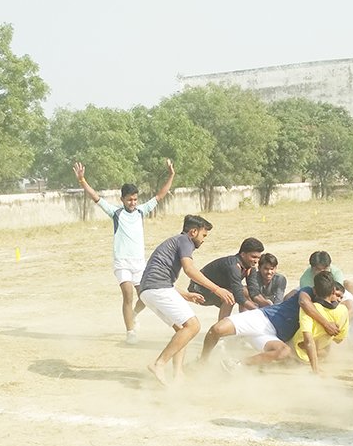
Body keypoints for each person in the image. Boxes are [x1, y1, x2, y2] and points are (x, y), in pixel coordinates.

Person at [74, 159, 175, 344]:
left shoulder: (141, 211)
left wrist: (171, 175)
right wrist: (82, 180)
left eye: (135, 199)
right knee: (128, 295)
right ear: (122, 199)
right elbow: (95, 197)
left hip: (139, 263)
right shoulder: (116, 213)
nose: (133, 202)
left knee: (146, 297)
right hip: (122, 262)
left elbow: (160, 195)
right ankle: (130, 333)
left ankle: (134, 314)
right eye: (129, 199)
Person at [138, 215, 233, 384]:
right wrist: (217, 289)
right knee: (193, 326)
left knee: (184, 329)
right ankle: (159, 364)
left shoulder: (175, 241)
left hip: (148, 291)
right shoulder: (185, 240)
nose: (203, 240)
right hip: (158, 289)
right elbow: (189, 270)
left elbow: (157, 278)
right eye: (203, 235)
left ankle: (178, 374)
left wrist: (185, 295)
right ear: (193, 232)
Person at [199, 271, 343, 370]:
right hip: (263, 318)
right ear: (315, 289)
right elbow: (304, 303)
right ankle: (202, 361)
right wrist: (326, 324)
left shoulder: (331, 306)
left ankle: (237, 364)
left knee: (283, 352)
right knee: (217, 329)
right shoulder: (307, 291)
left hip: (272, 336)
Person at [187, 237, 264, 320]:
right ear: (243, 254)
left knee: (245, 291)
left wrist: (266, 304)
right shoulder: (233, 266)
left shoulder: (250, 267)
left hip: (216, 289)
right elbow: (238, 295)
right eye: (253, 257)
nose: (256, 261)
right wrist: (257, 310)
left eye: (258, 258)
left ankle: (245, 321)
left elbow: (253, 291)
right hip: (198, 290)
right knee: (231, 295)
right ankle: (222, 325)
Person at [289, 277, 350, 374]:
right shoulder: (343, 310)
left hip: (298, 355)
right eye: (337, 295)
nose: (338, 299)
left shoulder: (309, 308)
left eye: (341, 297)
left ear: (315, 291)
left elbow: (308, 341)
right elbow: (339, 339)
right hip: (318, 357)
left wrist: (315, 369)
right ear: (332, 291)